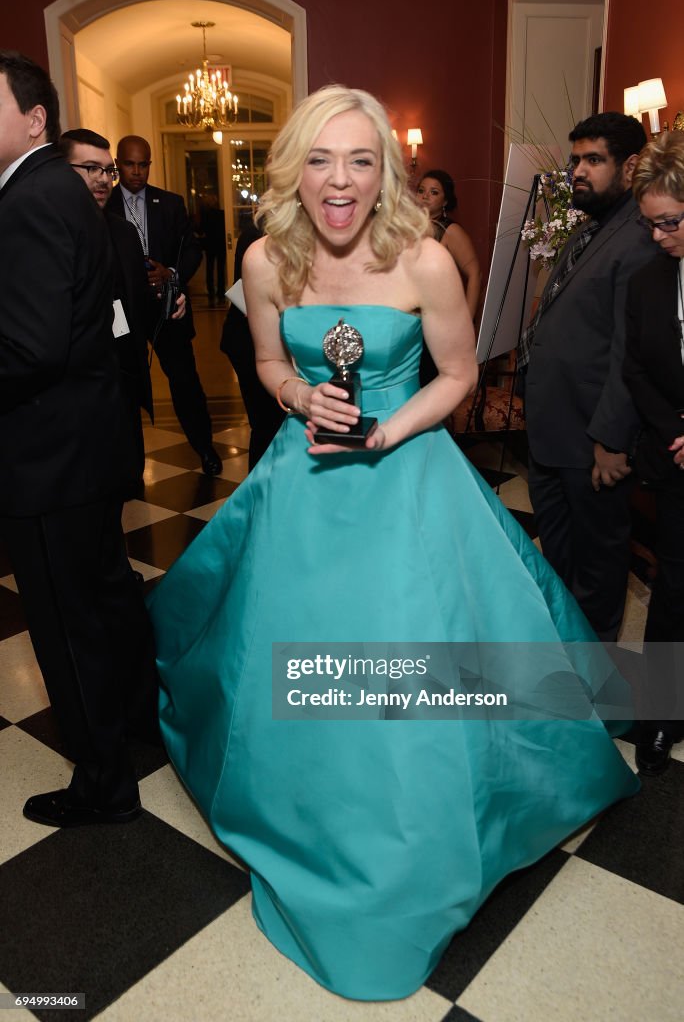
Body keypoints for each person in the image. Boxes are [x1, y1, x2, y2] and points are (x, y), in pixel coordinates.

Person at [148, 86, 637, 1000]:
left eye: (361, 161)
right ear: (295, 168)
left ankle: (416, 828)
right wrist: (301, 399)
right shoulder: (262, 260)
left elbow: (457, 375)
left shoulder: (422, 262)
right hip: (302, 490)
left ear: (386, 174)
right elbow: (267, 362)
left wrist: (385, 430)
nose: (340, 181)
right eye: (323, 160)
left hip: (407, 480)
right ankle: (300, 805)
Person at [0, 52, 152, 826]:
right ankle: (133, 722)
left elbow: (31, 348)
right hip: (85, 447)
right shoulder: (63, 193)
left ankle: (103, 784)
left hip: (47, 457)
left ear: (35, 119)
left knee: (66, 625)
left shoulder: (28, 197)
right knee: (103, 599)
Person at [521, 112, 656, 641]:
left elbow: (631, 353)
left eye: (594, 160)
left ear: (631, 166)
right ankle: (567, 658)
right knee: (560, 558)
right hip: (552, 433)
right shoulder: (589, 226)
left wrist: (610, 440)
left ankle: (599, 687)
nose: (578, 171)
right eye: (576, 159)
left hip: (591, 440)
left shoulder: (640, 236)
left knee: (598, 568)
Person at [60, 128, 187, 496]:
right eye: (90, 168)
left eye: (106, 171)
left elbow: (135, 299)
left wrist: (169, 300)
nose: (103, 179)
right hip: (73, 383)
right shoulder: (51, 230)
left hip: (122, 371)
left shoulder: (123, 232)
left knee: (127, 474)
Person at [623, 130, 684, 774]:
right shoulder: (647, 281)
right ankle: (663, 713)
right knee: (673, 590)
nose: (658, 236)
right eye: (651, 225)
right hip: (675, 459)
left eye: (669, 223)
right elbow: (638, 371)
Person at [108, 135, 222, 476]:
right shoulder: (102, 203)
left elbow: (192, 251)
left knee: (186, 382)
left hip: (167, 307)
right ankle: (129, 467)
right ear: (117, 164)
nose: (137, 171)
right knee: (125, 386)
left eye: (144, 164)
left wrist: (170, 272)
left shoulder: (170, 203)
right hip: (122, 312)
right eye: (130, 163)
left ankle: (205, 449)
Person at [220, 212, 285, 468]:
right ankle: (260, 500)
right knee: (267, 426)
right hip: (249, 342)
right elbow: (246, 294)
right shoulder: (260, 234)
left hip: (271, 342)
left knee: (271, 427)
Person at [416, 169, 481, 387]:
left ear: (445, 201)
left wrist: (467, 322)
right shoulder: (407, 229)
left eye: (434, 192)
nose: (425, 196)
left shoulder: (450, 231)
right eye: (421, 190)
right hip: (411, 323)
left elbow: (475, 274)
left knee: (429, 387)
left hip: (437, 324)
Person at [198, 193, 227, 306]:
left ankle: (211, 291)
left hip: (210, 244)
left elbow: (201, 230)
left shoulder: (205, 215)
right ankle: (221, 292)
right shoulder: (222, 214)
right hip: (221, 244)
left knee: (209, 269)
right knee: (220, 269)